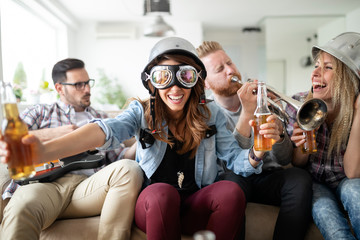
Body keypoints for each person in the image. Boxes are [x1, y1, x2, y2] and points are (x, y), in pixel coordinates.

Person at [3, 37, 268, 240]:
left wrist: (257, 150)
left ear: (196, 80)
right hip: (155, 205)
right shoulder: (141, 112)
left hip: (194, 201)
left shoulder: (211, 115)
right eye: (163, 76)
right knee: (161, 193)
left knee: (231, 191)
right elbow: (104, 131)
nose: (174, 87)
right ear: (151, 82)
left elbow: (236, 160)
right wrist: (44, 150)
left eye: (184, 76)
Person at [0, 58, 143, 240]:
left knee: (130, 169)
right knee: (22, 208)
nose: (87, 89)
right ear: (59, 88)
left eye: (88, 83)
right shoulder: (40, 112)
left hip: (89, 187)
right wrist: (55, 134)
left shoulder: (100, 117)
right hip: (45, 184)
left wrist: (142, 142)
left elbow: (119, 156)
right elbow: (7, 141)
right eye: (79, 85)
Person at [197, 41, 313, 240]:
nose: (231, 70)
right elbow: (230, 166)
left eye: (230, 62)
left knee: (299, 178)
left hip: (269, 177)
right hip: (234, 179)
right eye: (220, 69)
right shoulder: (206, 113)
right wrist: (247, 113)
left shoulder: (264, 99)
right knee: (230, 185)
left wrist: (279, 137)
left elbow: (285, 159)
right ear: (205, 83)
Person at [287, 32, 360, 240]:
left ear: (350, 78)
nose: (315, 73)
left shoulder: (357, 110)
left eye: (328, 67)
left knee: (354, 190)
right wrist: (302, 143)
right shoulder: (301, 103)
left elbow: (353, 173)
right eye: (316, 65)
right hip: (317, 184)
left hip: (348, 182)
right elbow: (298, 163)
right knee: (326, 214)